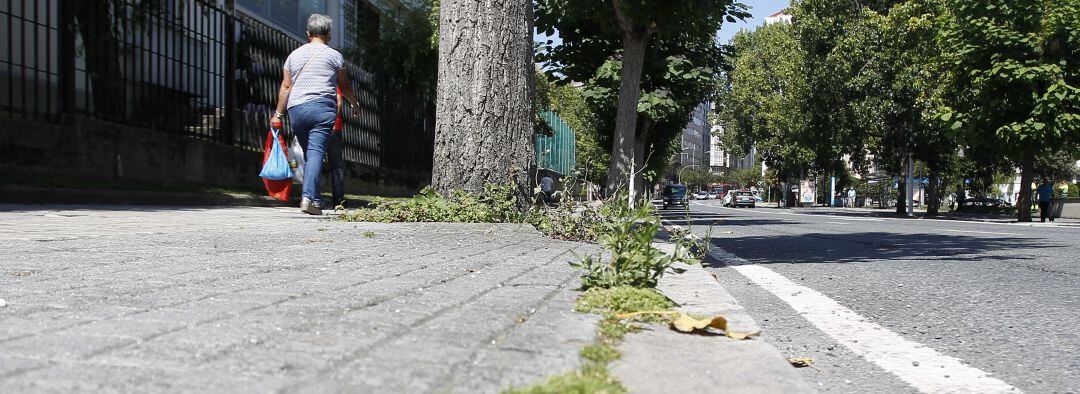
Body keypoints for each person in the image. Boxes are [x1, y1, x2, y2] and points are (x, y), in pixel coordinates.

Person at [271, 14, 359, 215]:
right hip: (322, 108)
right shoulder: (334, 56)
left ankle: (315, 199)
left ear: (308, 34)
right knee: (316, 152)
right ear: (328, 35)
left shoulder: (293, 56)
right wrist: (355, 104)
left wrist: (278, 114)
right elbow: (344, 87)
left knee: (311, 153)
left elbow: (286, 86)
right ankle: (308, 197)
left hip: (297, 110)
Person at [327, 87, 347, 209]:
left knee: (315, 160)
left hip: (320, 127)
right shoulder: (335, 84)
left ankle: (312, 197)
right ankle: (338, 201)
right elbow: (339, 103)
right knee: (336, 165)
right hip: (334, 127)